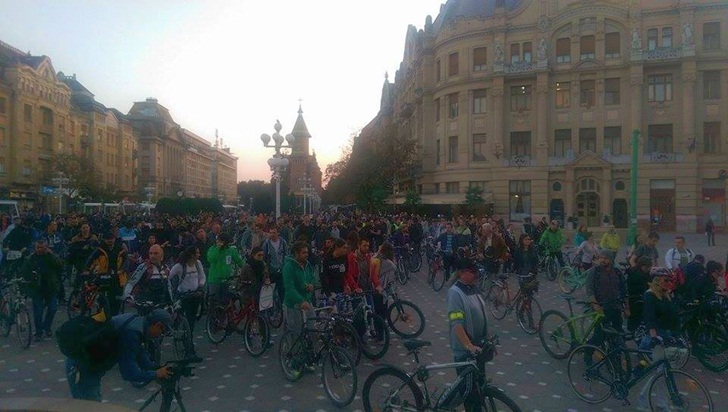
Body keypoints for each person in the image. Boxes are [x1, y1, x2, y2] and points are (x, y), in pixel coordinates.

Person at [64, 309, 174, 401]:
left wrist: (158, 369)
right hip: (82, 369)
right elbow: (129, 374)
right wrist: (155, 374)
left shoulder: (137, 323)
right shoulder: (131, 333)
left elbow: (142, 357)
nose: (160, 336)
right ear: (157, 325)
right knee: (91, 406)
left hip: (87, 365)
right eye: (162, 332)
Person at [447, 261, 488, 412]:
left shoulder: (473, 289)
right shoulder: (455, 293)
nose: (476, 275)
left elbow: (482, 315)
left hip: (478, 348)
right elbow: (456, 323)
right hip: (465, 351)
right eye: (472, 272)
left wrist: (488, 340)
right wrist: (468, 345)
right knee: (470, 393)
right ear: (462, 273)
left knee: (480, 387)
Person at [22, 239, 64, 341]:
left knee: (53, 309)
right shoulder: (30, 259)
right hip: (37, 289)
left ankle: (47, 326)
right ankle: (39, 332)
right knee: (38, 312)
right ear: (35, 248)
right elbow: (24, 273)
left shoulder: (51, 256)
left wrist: (52, 254)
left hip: (50, 287)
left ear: (47, 248)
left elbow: (61, 264)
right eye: (38, 247)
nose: (40, 249)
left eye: (42, 248)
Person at [585, 249, 628, 347]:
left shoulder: (617, 272)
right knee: (599, 335)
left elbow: (624, 290)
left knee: (618, 332)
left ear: (611, 260)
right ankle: (588, 351)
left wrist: (627, 308)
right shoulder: (594, 271)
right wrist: (595, 305)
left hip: (616, 306)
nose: (602, 260)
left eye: (605, 258)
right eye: (601, 258)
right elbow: (589, 289)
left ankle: (615, 352)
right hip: (601, 307)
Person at [167, 246, 205, 354]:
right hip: (183, 296)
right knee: (188, 320)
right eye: (197, 253)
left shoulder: (198, 263)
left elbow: (202, 276)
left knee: (191, 321)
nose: (199, 255)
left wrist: (200, 285)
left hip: (195, 295)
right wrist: (170, 289)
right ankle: (188, 345)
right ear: (192, 255)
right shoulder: (180, 266)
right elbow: (168, 276)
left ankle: (187, 339)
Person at [84, 230, 128, 316]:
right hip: (103, 276)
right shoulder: (100, 249)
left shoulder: (120, 249)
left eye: (111, 238)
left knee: (117, 299)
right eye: (107, 239)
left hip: (118, 277)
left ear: (114, 239)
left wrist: (121, 270)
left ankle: (115, 316)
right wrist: (86, 269)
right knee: (102, 298)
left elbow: (126, 262)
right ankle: (102, 314)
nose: (110, 240)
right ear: (104, 240)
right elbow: (91, 259)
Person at [638, 267, 679, 351]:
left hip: (668, 332)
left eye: (670, 280)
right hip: (657, 332)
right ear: (657, 280)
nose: (669, 283)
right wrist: (654, 336)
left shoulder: (666, 295)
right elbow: (649, 316)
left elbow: (673, 314)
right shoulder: (650, 295)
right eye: (666, 280)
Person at [282, 241, 316, 333]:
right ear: (296, 253)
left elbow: (312, 278)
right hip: (293, 304)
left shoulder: (307, 264)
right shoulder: (289, 267)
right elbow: (289, 288)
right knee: (296, 332)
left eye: (307, 252)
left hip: (307, 301)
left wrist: (312, 285)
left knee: (313, 329)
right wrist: (301, 300)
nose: (306, 255)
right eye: (303, 252)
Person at [205, 233, 244, 304]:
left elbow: (239, 261)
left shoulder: (231, 250)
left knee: (225, 302)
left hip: (226, 280)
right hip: (215, 281)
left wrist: (246, 268)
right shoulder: (212, 248)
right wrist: (218, 248)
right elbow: (211, 259)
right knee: (214, 302)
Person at [625, 256, 653, 332]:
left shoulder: (643, 274)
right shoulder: (635, 274)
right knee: (635, 318)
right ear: (642, 266)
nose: (648, 269)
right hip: (634, 298)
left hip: (639, 298)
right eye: (647, 267)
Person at [262, 226, 288, 302]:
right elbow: (264, 257)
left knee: (282, 291)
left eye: (274, 233)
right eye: (270, 233)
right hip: (271, 272)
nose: (272, 234)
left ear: (278, 233)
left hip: (281, 271)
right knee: (271, 292)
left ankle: (282, 306)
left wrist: (284, 267)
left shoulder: (283, 242)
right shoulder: (267, 243)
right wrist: (266, 269)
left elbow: (286, 255)